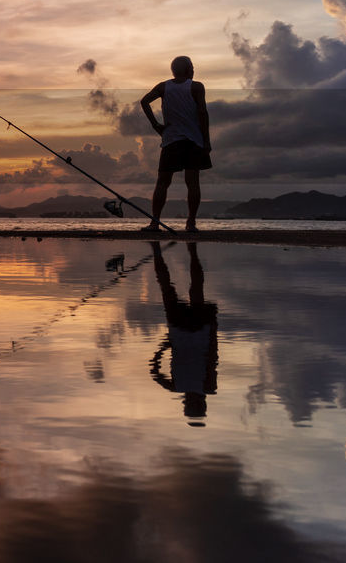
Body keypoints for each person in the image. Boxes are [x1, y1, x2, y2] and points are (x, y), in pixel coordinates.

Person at [148, 241, 218, 425]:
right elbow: (153, 371)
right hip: (179, 330)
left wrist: (213, 326)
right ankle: (157, 252)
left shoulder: (209, 388)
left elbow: (213, 357)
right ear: (186, 403)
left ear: (202, 403)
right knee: (166, 286)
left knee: (196, 288)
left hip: (200, 329)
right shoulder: (175, 387)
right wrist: (164, 347)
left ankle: (192, 251)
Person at [140, 56, 211, 232]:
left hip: (171, 140)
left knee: (163, 182)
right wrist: (206, 140)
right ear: (188, 70)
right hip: (193, 140)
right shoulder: (196, 87)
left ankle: (155, 223)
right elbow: (203, 113)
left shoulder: (163, 87)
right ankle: (191, 224)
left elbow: (144, 101)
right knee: (192, 183)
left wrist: (156, 125)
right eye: (192, 67)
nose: (194, 70)